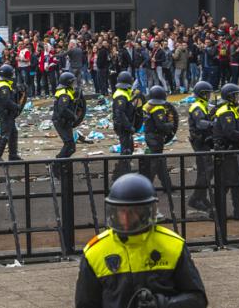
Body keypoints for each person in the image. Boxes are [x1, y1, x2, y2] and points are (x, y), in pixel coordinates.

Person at [74, 173, 208, 308]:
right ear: (113, 212)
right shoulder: (95, 252)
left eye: (133, 212)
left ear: (147, 212)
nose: (126, 219)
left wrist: (161, 304)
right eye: (122, 212)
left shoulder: (173, 246)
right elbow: (85, 304)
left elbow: (198, 299)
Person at [212, 83, 239, 219]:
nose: (238, 97)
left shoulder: (230, 109)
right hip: (226, 151)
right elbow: (230, 132)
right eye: (235, 95)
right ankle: (226, 212)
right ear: (230, 96)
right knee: (230, 183)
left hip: (228, 151)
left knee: (230, 183)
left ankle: (232, 211)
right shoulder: (226, 111)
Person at [139, 86, 176, 197]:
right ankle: (146, 188)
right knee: (154, 164)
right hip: (156, 138)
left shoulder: (147, 106)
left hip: (149, 136)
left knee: (159, 162)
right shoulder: (158, 108)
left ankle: (167, 185)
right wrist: (171, 125)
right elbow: (161, 125)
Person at [187, 81, 214, 212]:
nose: (209, 95)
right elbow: (200, 124)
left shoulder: (202, 105)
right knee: (207, 170)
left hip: (202, 142)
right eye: (208, 93)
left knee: (204, 170)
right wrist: (214, 124)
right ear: (203, 94)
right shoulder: (197, 107)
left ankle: (201, 197)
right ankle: (195, 198)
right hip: (199, 142)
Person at [0, 65, 22, 162]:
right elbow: (6, 101)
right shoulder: (3, 86)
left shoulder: (4, 83)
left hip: (8, 114)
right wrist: (17, 106)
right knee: (5, 135)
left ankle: (13, 155)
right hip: (5, 114)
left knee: (13, 133)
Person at [51, 72, 79, 178]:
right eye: (72, 82)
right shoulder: (64, 94)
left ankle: (63, 166)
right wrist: (74, 116)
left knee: (71, 146)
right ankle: (57, 165)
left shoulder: (66, 91)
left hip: (64, 121)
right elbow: (63, 109)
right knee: (69, 145)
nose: (73, 84)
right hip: (61, 121)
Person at [111, 72, 137, 182]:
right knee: (126, 150)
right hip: (123, 127)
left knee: (128, 149)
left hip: (124, 125)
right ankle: (123, 174)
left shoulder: (124, 92)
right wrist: (129, 126)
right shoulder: (120, 95)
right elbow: (120, 114)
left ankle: (119, 173)